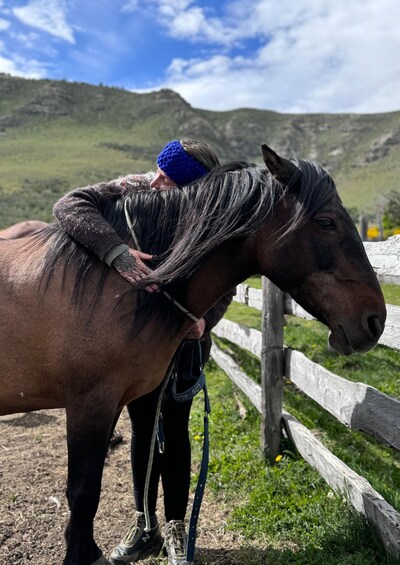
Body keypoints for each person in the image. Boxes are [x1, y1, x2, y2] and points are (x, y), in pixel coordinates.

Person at [53, 139, 234, 565]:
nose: (155, 181)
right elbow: (69, 205)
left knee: (175, 428)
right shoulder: (135, 187)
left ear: (192, 188)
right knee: (142, 430)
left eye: (167, 178)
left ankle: (174, 529)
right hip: (134, 346)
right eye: (158, 169)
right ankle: (144, 525)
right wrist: (116, 252)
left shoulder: (211, 220)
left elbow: (225, 279)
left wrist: (206, 319)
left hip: (185, 348)